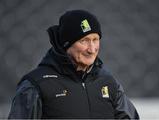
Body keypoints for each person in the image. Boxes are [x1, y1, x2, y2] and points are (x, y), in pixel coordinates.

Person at [8, 9, 139, 119]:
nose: (92, 49)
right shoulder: (36, 85)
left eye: (95, 40)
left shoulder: (109, 83)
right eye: (84, 41)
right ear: (66, 44)